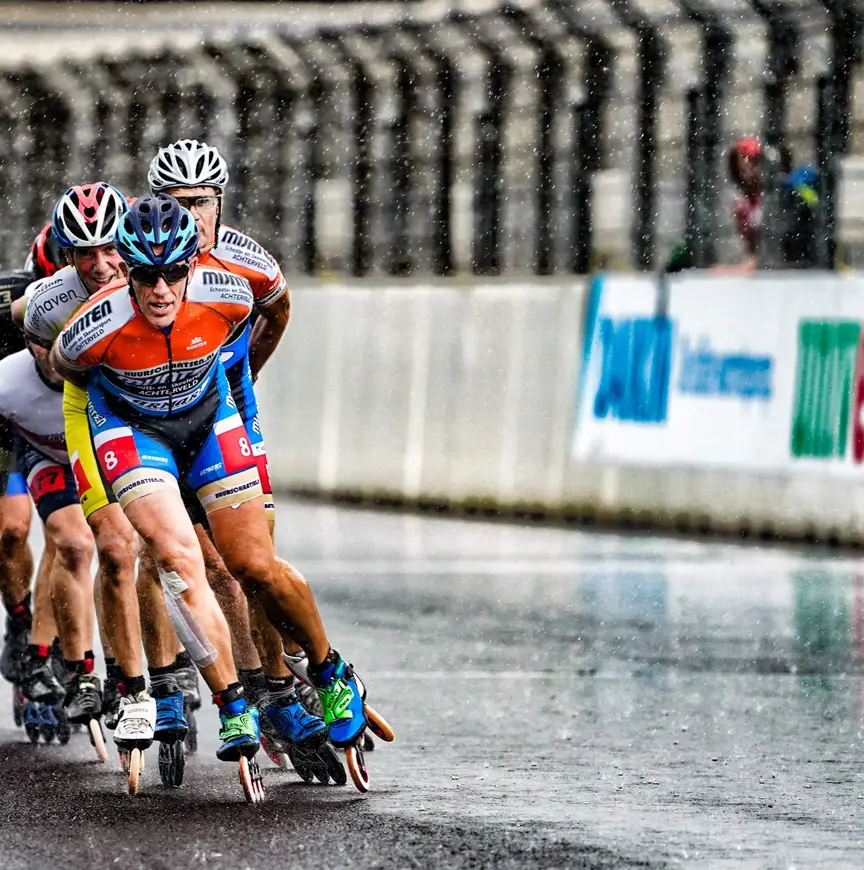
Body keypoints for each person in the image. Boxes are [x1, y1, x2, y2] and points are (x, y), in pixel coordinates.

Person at [51, 195, 360, 771]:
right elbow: (68, 375)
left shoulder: (230, 294)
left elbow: (250, 344)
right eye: (146, 276)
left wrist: (245, 406)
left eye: (174, 273)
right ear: (128, 270)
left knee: (251, 565)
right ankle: (231, 698)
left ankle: (330, 670)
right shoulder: (90, 327)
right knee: (174, 555)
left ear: (193, 265)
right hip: (132, 429)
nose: (161, 290)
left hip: (208, 417)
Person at [147, 140, 339, 766]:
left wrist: (249, 369)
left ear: (220, 202)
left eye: (199, 203)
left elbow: (278, 312)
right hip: (157, 418)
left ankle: (279, 682)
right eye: (176, 203)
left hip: (229, 413)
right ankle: (236, 681)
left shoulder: (245, 262)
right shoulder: (142, 261)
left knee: (252, 564)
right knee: (191, 560)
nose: (190, 215)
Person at [18, 183, 188, 750]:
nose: (101, 265)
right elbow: (27, 329)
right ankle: (100, 674)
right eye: (83, 254)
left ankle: (178, 668)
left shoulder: (158, 280)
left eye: (109, 249)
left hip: (157, 419)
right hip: (83, 419)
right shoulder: (47, 302)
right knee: (102, 547)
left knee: (177, 551)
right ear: (65, 259)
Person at [727, 136, 820, 271]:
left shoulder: (790, 190)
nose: (746, 165)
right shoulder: (743, 202)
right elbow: (751, 250)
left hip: (794, 265)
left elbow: (789, 232)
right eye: (741, 160)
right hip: (770, 268)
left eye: (754, 161)